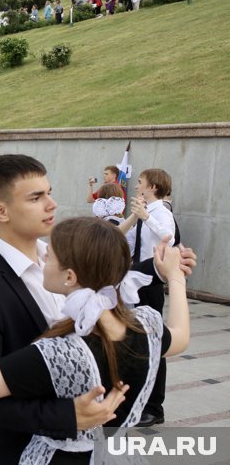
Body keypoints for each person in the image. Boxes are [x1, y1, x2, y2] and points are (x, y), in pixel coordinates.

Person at [0, 217, 190, 464]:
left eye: (51, 256)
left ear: (69, 276)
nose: (43, 256)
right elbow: (180, 337)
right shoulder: (145, 325)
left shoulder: (61, 354)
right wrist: (175, 277)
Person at [118, 168, 175, 427]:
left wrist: (145, 217)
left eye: (140, 182)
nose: (137, 186)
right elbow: (127, 241)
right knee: (139, 339)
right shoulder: (144, 213)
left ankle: (154, 407)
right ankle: (139, 401)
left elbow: (169, 237)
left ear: (152, 187)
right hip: (136, 278)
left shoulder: (161, 212)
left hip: (151, 280)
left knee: (154, 340)